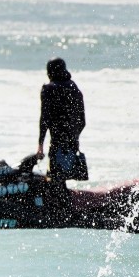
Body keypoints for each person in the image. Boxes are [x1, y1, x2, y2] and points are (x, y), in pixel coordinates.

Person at [36, 57, 86, 189]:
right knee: (62, 177)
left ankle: (57, 206)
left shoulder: (48, 89)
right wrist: (73, 136)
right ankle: (67, 204)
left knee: (55, 178)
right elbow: (82, 121)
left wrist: (40, 144)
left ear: (49, 72)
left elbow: (44, 119)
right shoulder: (74, 87)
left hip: (57, 142)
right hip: (72, 141)